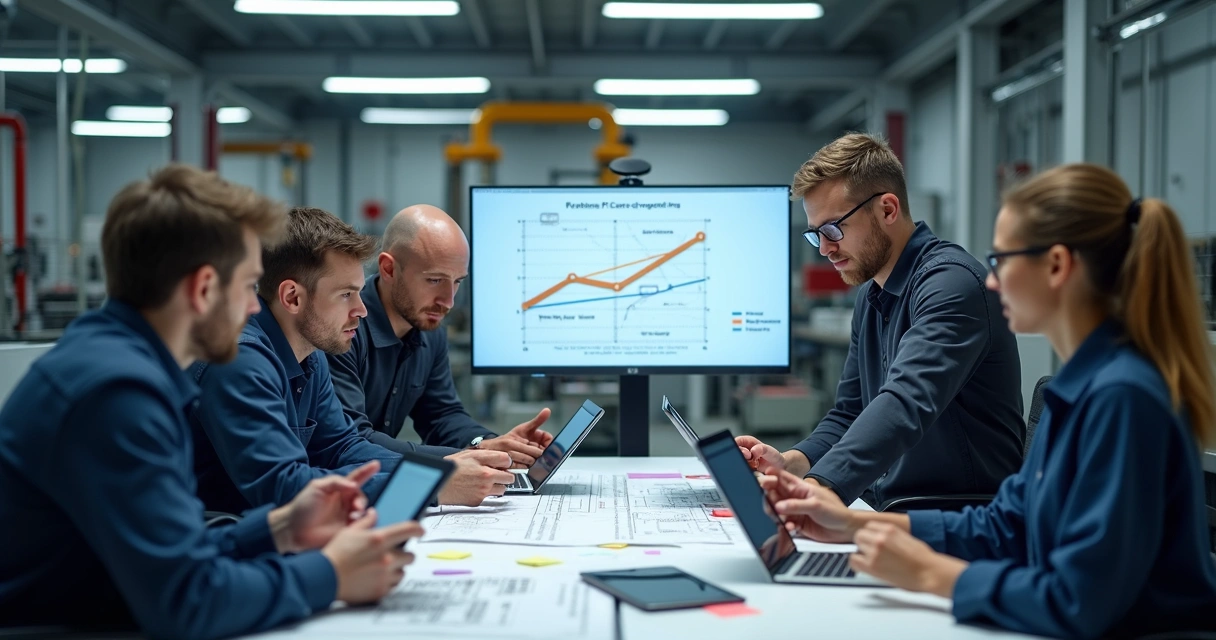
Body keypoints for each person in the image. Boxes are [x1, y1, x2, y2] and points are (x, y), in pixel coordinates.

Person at [762, 163, 1216, 639]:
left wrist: (930, 575)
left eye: (1001, 261)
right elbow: (1008, 525)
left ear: (1057, 265)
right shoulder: (1075, 391)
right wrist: (852, 526)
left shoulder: (1122, 399)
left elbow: (1079, 600)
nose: (992, 282)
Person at [0, 166, 420, 639]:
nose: (255, 308)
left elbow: (176, 549)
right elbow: (189, 601)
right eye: (246, 287)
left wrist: (280, 529)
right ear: (202, 289)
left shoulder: (120, 365)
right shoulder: (118, 395)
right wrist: (332, 573)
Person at [738, 133, 1025, 508]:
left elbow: (905, 402)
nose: (824, 249)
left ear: (888, 210)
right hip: (890, 506)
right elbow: (850, 412)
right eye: (816, 235)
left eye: (832, 230)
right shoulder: (872, 294)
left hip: (954, 517)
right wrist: (795, 463)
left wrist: (821, 487)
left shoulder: (953, 285)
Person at [190, 206, 514, 514]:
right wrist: (430, 486)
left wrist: (449, 466)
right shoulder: (240, 362)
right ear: (292, 297)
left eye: (359, 292)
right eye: (346, 294)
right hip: (220, 547)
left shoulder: (309, 356)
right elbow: (284, 488)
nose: (360, 309)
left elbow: (343, 448)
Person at [328, 204, 554, 468]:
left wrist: (490, 444)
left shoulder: (428, 328)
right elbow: (352, 440)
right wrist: (460, 459)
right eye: (435, 280)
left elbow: (442, 415)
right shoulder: (344, 329)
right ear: (389, 269)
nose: (448, 302)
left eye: (457, 281)